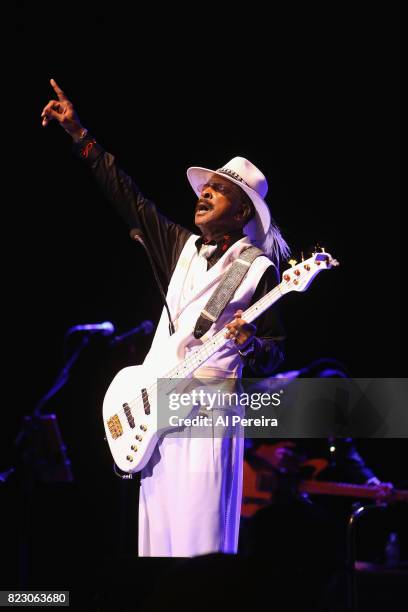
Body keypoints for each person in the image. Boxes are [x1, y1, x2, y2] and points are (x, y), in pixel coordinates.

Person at [41, 79, 290, 557]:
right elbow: (128, 198)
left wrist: (250, 343)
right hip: (155, 415)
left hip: (207, 418)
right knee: (157, 549)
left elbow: (276, 350)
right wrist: (79, 134)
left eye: (219, 192)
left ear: (241, 213)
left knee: (200, 549)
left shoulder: (259, 270)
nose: (205, 194)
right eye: (207, 187)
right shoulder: (180, 248)